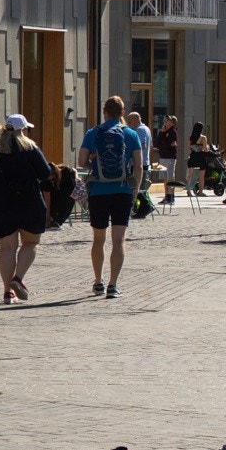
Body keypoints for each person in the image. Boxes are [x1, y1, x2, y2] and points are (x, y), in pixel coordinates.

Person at [0, 115, 55, 305]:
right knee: (31, 243)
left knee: (7, 247)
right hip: (29, 204)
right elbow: (45, 173)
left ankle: (7, 292)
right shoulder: (31, 149)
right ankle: (18, 278)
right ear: (23, 131)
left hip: (1, 206)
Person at [79, 96, 144, 299]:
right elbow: (139, 166)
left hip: (98, 192)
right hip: (122, 192)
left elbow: (81, 161)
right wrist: (135, 190)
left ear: (104, 112)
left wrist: (94, 165)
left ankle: (98, 281)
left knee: (98, 240)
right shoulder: (131, 134)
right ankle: (112, 285)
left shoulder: (93, 133)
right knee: (118, 240)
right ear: (123, 113)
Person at [154, 115, 179, 205]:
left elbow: (167, 144)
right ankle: (166, 196)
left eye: (168, 120)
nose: (166, 122)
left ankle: (171, 196)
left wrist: (163, 140)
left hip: (170, 157)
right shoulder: (163, 132)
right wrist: (162, 133)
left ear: (172, 123)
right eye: (166, 120)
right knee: (164, 177)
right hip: (163, 156)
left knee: (170, 177)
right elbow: (157, 144)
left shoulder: (173, 132)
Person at [185, 122, 211, 196]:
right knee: (201, 176)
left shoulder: (190, 137)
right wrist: (207, 148)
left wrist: (194, 148)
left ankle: (188, 190)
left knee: (190, 175)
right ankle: (200, 192)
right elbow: (205, 150)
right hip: (201, 157)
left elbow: (188, 147)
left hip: (193, 156)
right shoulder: (203, 138)